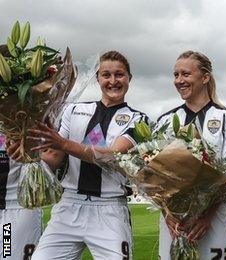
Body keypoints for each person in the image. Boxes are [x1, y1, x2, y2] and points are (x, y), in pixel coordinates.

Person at [20, 51, 148, 259]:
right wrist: (27, 151)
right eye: (106, 75)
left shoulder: (138, 119)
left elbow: (112, 156)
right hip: (68, 206)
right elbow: (54, 157)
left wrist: (63, 143)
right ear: (97, 78)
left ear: (129, 79)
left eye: (119, 75)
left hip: (109, 209)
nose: (113, 81)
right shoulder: (74, 110)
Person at [156, 50, 226, 260]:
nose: (179, 80)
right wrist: (168, 214)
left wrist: (207, 216)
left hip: (214, 217)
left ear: (205, 77)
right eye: (176, 75)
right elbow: (153, 172)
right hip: (174, 219)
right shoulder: (166, 120)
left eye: (185, 74)